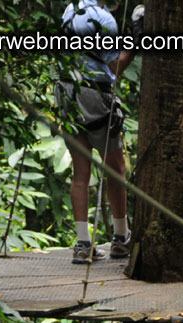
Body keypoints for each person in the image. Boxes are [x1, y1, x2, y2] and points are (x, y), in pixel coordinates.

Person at [55, 1, 144, 263]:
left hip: (66, 92)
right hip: (94, 94)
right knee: (115, 168)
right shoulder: (104, 19)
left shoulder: (71, 10)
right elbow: (116, 65)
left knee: (80, 172)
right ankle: (120, 237)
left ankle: (83, 244)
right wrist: (137, 41)